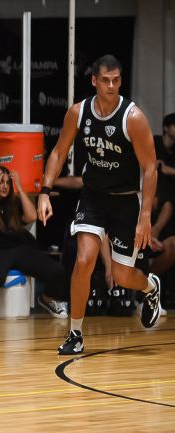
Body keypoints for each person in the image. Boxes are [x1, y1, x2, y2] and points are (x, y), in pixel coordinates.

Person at [38, 54, 161, 355]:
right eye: (105, 80)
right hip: (93, 196)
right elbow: (59, 152)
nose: (111, 85)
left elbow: (150, 168)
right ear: (94, 81)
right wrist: (44, 191)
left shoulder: (133, 117)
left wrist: (145, 216)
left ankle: (150, 287)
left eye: (116, 80)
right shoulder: (78, 112)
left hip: (126, 201)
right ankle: (75, 333)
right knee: (84, 261)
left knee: (121, 275)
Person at [0, 166, 68, 321]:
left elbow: (31, 216)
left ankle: (47, 298)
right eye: (1, 182)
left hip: (16, 249)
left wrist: (20, 188)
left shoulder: (12, 203)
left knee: (58, 270)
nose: (4, 186)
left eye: (8, 183)